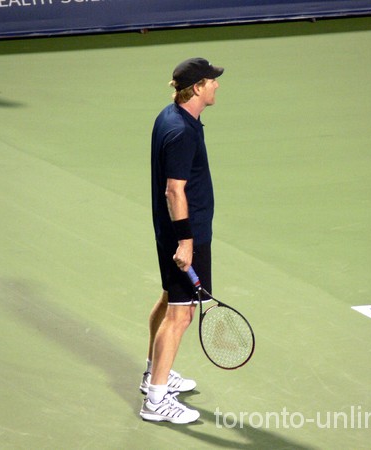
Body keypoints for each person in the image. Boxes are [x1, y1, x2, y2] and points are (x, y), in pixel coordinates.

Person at [139, 57, 224, 424]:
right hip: (185, 233)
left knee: (168, 300)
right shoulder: (182, 132)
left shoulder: (171, 116)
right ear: (198, 87)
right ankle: (156, 400)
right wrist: (187, 242)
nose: (217, 85)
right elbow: (175, 190)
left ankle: (152, 375)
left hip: (171, 231)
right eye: (212, 81)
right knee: (182, 314)